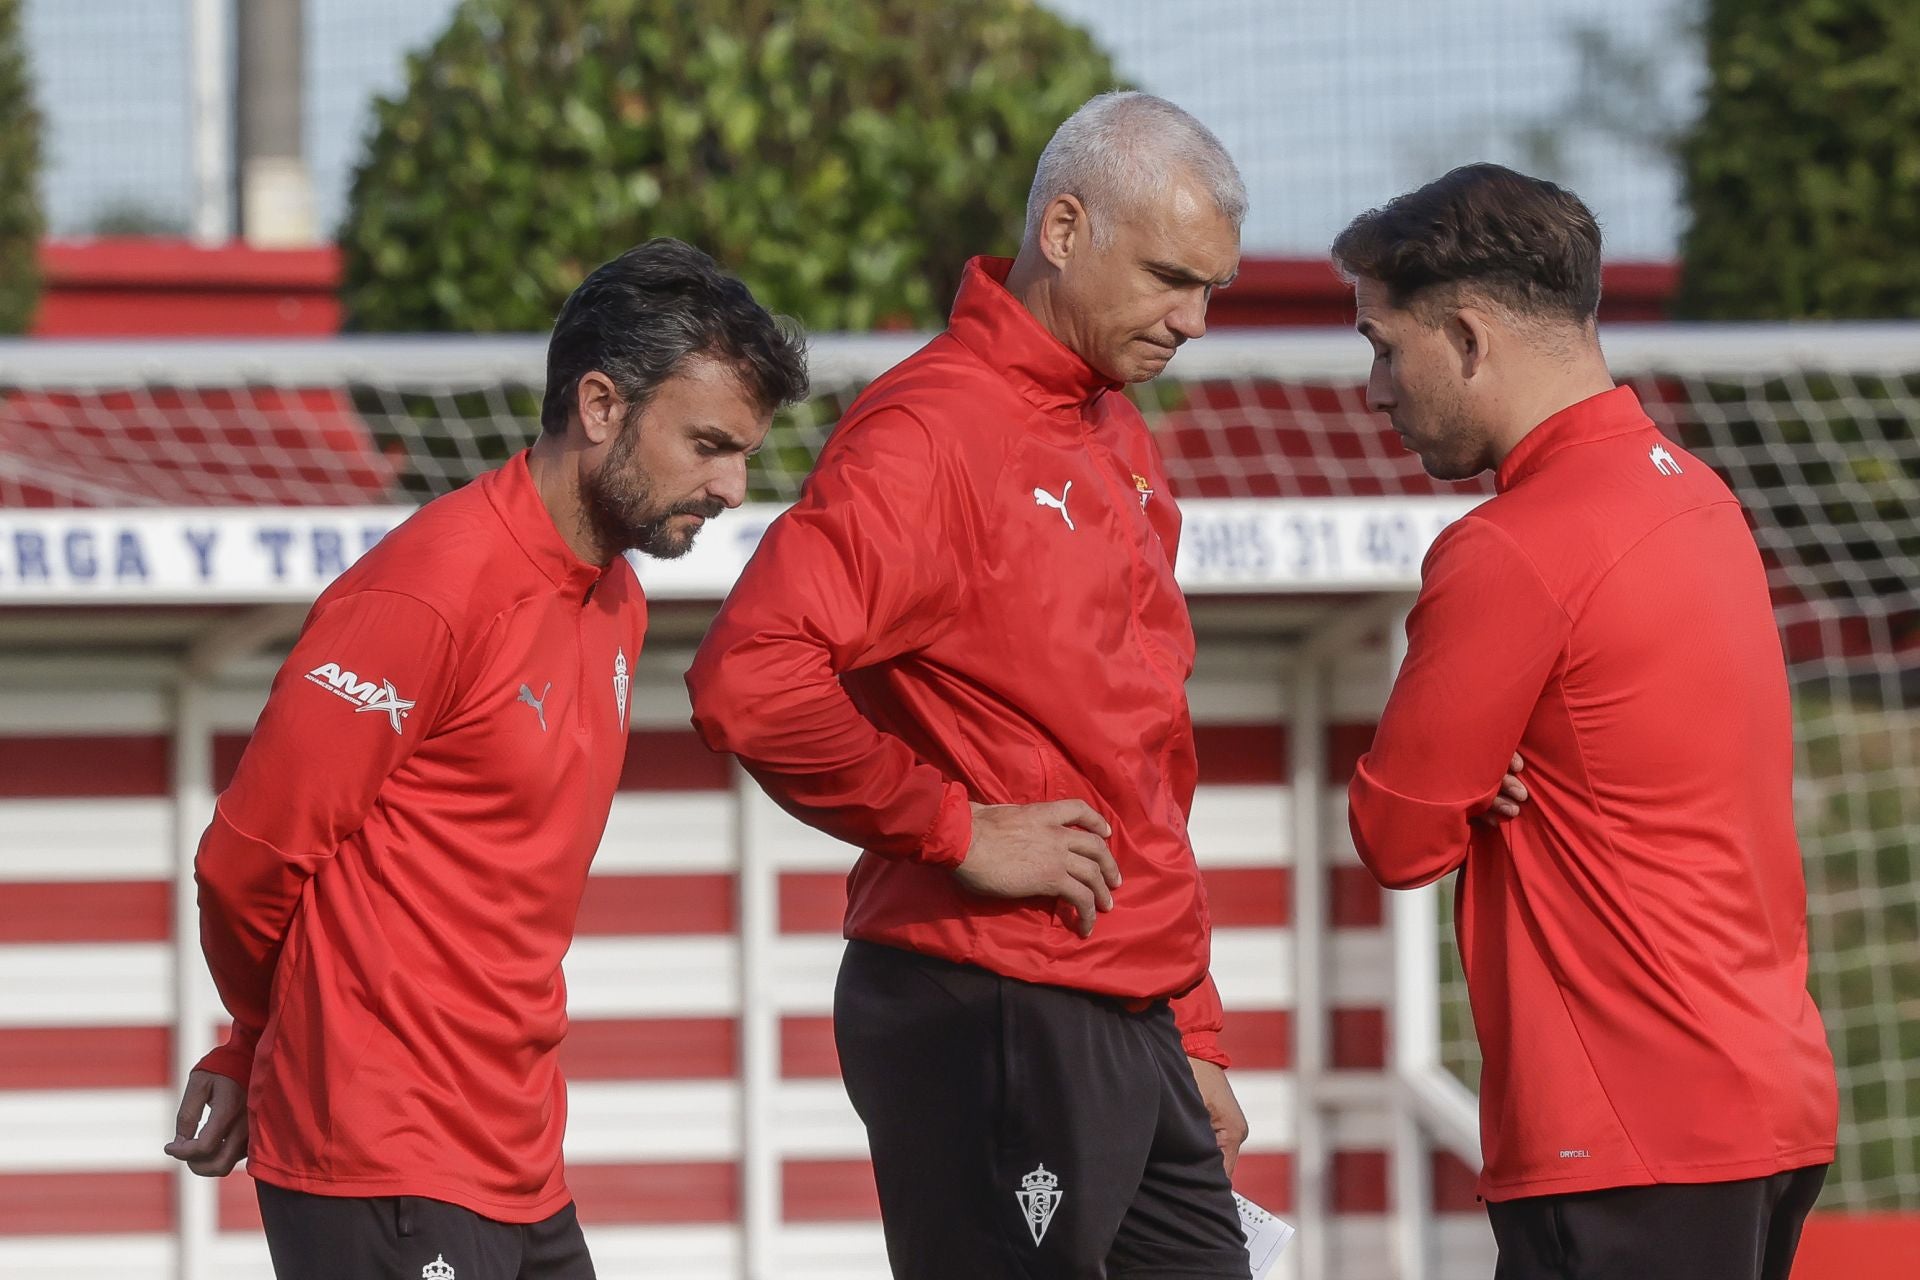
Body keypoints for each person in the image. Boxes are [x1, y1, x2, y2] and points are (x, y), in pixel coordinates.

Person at [161, 239, 808, 1279]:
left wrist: (247, 1041)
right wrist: (254, 1036)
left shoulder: (618, 599)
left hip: (518, 1157)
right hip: (381, 1155)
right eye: (708, 444)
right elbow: (246, 862)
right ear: (599, 405)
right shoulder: (427, 591)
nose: (734, 484)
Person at [686, 92, 1252, 1279]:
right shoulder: (928, 433)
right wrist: (955, 828)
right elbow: (751, 674)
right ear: (1063, 230)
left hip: (1131, 1009)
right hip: (991, 999)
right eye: (1167, 277)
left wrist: (1190, 1025)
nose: (1193, 320)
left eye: (1212, 288)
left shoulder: (1121, 440)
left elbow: (1147, 760)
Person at [1336, 164, 1837, 1280]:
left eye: (1383, 345)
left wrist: (1466, 774)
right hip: (1767, 1101)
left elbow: (1397, 834)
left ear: (1467, 336)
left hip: (1627, 1134)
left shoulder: (1510, 544)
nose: (1374, 388)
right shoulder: (1702, 500)